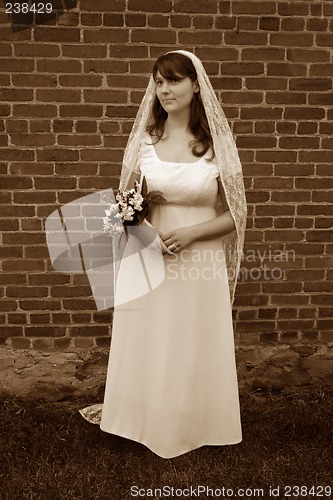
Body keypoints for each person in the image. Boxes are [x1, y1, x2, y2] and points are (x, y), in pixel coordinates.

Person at [79, 50, 247, 459]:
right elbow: (126, 204)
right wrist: (144, 233)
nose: (164, 89)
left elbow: (236, 216)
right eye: (158, 81)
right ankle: (142, 418)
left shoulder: (215, 147)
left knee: (192, 338)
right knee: (150, 338)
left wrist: (191, 233)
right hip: (150, 256)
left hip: (199, 258)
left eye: (173, 80)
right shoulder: (145, 142)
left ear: (195, 85)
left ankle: (197, 422)